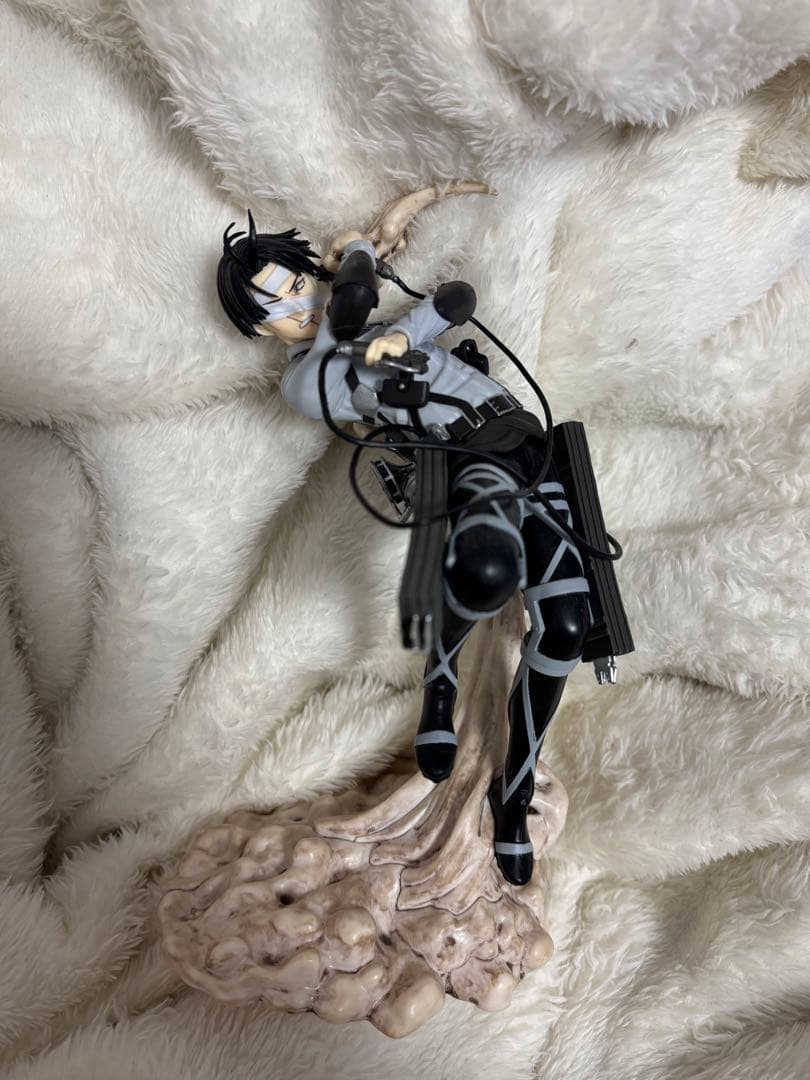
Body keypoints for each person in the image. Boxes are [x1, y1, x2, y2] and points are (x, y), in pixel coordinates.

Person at [217, 213, 592, 886]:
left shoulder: (380, 333)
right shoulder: (308, 379)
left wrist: (406, 314)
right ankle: (440, 687)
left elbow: (455, 300)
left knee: (567, 628)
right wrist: (355, 268)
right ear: (262, 329)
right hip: (469, 460)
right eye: (279, 307)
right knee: (486, 569)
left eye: (299, 285)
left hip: (525, 440)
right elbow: (341, 323)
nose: (301, 306)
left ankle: (513, 793)